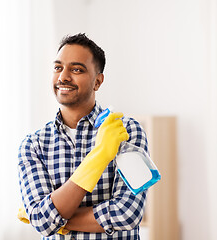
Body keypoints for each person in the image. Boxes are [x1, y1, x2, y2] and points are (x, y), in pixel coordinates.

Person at [17, 33, 148, 239]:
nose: (63, 77)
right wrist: (100, 155)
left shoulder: (126, 132)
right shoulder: (34, 145)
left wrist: (55, 218)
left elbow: (128, 213)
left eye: (76, 69)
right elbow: (41, 221)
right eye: (58, 68)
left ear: (98, 81)